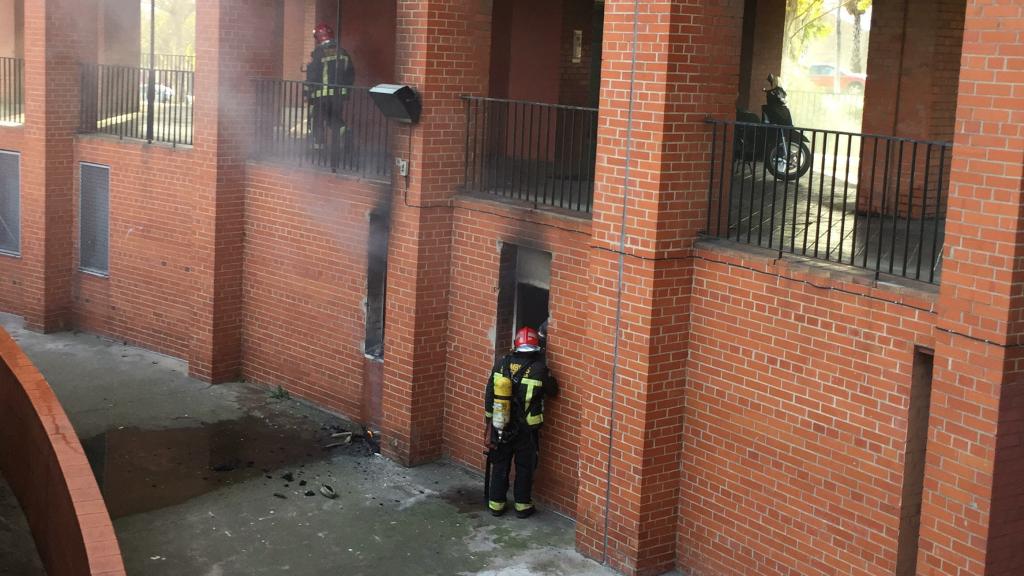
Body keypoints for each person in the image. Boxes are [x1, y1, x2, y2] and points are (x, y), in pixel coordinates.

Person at [483, 326, 558, 518]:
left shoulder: (501, 364)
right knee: (525, 466)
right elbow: (553, 391)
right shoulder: (539, 369)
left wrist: (490, 422)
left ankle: (496, 505)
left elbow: (490, 392)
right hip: (526, 429)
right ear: (535, 348)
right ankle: (522, 506)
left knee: (500, 464)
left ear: (516, 346)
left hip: (502, 425)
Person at [306, 23, 355, 160]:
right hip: (339, 96)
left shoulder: (319, 52)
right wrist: (345, 91)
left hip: (321, 95)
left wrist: (308, 92)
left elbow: (313, 74)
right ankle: (346, 133)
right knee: (334, 120)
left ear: (319, 38)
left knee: (317, 119)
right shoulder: (343, 52)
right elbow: (351, 74)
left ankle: (318, 149)